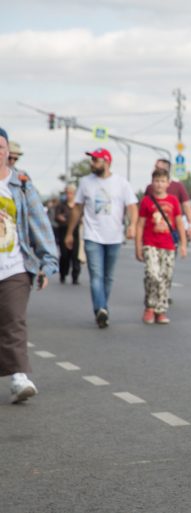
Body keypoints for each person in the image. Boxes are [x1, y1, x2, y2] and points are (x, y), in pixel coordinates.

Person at [0, 127, 58, 403]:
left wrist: (48, 260)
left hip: (14, 265)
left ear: (7, 151)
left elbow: (39, 221)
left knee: (14, 319)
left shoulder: (21, 184)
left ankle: (18, 376)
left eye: (1, 146)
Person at [65, 148, 138, 329]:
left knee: (108, 277)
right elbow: (77, 208)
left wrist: (132, 225)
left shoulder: (121, 183)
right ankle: (101, 309)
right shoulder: (85, 182)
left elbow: (132, 207)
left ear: (107, 162)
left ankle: (101, 307)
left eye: (96, 160)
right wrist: (69, 232)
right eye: (92, 160)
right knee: (96, 275)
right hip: (92, 236)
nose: (93, 163)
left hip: (114, 236)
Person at [135, 167, 187, 324]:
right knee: (152, 274)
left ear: (168, 183)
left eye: (162, 181)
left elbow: (178, 223)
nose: (159, 184)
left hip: (168, 245)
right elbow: (140, 225)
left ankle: (161, 310)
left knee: (166, 277)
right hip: (150, 243)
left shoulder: (173, 201)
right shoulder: (146, 201)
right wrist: (138, 246)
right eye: (156, 181)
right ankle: (150, 307)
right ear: (152, 183)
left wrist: (183, 244)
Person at [143, 159, 191, 242]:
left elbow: (186, 206)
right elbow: (143, 210)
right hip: (152, 231)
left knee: (170, 253)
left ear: (166, 169)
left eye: (157, 167)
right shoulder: (150, 188)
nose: (154, 169)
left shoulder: (178, 186)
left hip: (171, 229)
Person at [54, 184, 81, 284]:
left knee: (75, 255)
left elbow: (82, 216)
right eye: (67, 193)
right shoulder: (61, 205)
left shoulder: (78, 206)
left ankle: (75, 276)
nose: (69, 195)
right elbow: (56, 216)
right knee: (64, 255)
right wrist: (61, 218)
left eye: (71, 193)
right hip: (63, 231)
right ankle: (63, 273)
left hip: (75, 232)